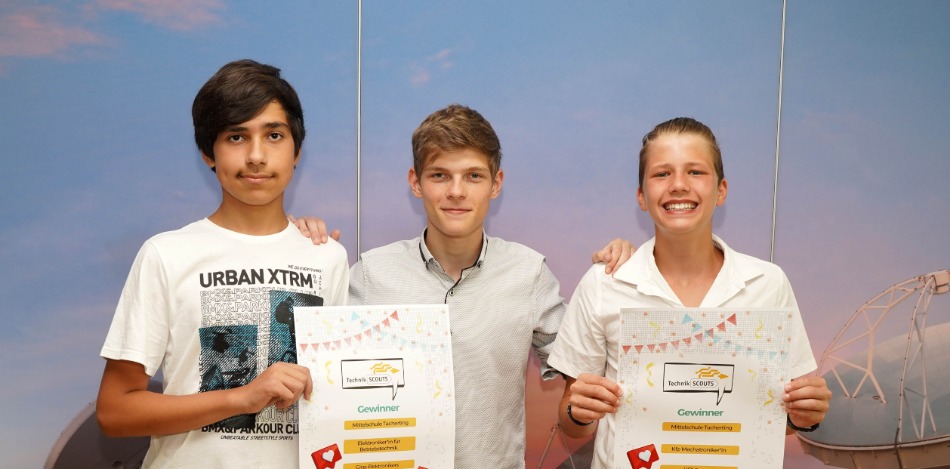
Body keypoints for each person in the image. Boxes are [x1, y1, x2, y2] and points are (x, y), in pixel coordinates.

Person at [298, 104, 627, 468]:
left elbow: (578, 401)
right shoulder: (372, 273)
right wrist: (293, 248)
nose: (456, 191)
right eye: (440, 175)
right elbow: (315, 376)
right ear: (415, 182)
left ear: (496, 184)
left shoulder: (529, 273)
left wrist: (633, 264)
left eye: (473, 176)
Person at [96, 59, 349, 468]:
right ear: (207, 153)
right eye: (236, 137)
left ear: (297, 150)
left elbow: (339, 395)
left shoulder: (328, 257)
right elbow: (114, 410)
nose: (256, 156)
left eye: (274, 135)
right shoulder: (165, 254)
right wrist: (240, 397)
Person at [549, 117, 831, 468]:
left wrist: (804, 414)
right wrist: (580, 411)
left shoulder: (768, 283)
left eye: (695, 172)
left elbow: (778, 418)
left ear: (721, 190)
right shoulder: (604, 284)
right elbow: (571, 423)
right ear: (641, 196)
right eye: (661, 174)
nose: (678, 185)